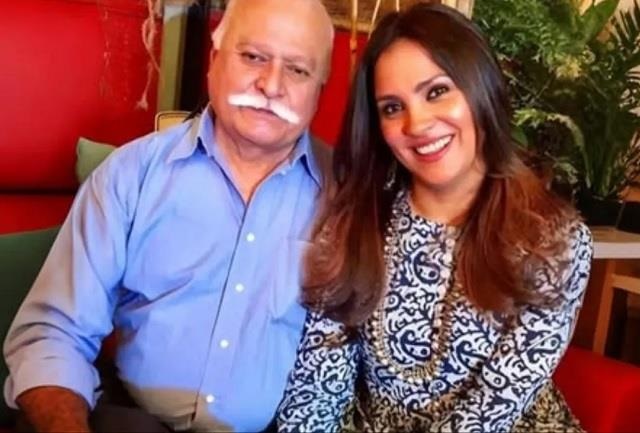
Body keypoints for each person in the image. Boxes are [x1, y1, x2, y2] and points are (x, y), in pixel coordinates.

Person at [3, 0, 334, 431]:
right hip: (134, 420)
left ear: (318, 91)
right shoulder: (131, 175)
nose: (271, 85)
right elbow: (54, 334)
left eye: (298, 70)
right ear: (214, 61)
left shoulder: (349, 199)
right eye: (253, 57)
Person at [277, 3, 593, 432]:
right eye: (392, 107)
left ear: (480, 89)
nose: (418, 123)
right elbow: (317, 389)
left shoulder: (554, 241)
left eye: (436, 91)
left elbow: (490, 413)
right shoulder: (356, 223)